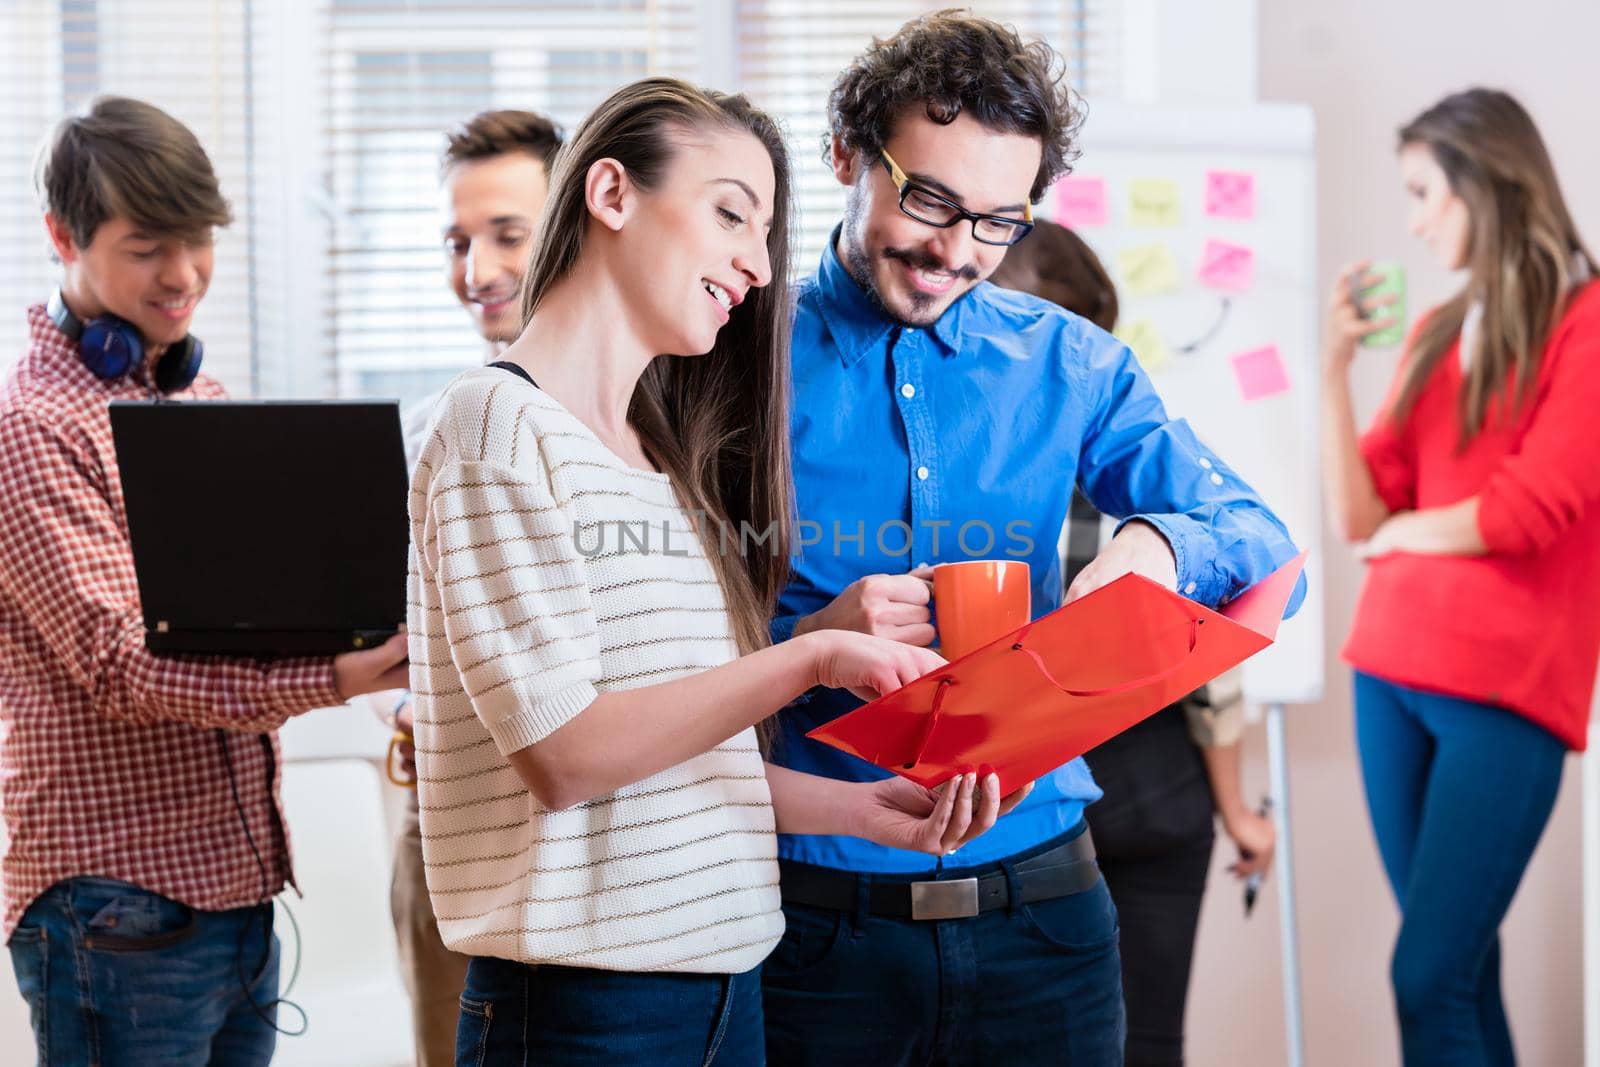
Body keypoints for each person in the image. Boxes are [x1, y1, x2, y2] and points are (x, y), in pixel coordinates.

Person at [407, 76, 1027, 1066]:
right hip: (586, 1012)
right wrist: (814, 653)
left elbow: (663, 755)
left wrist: (859, 809)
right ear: (610, 194)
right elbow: (567, 753)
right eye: (730, 212)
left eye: (766, 230)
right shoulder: (495, 424)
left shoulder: (659, 461)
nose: (753, 261)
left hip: (724, 986)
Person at [761, 13, 1305, 1065]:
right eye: (928, 200)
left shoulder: (1075, 364)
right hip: (811, 926)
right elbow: (653, 652)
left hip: (1046, 917)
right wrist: (813, 635)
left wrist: (1154, 546)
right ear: (844, 157)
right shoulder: (734, 363)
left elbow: (1257, 537)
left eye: (998, 221)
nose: (955, 253)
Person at [0, 96, 410, 1066]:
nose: (183, 275)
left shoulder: (197, 400)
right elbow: (122, 666)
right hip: (115, 906)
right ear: (64, 236)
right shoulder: (32, 428)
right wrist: (343, 679)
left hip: (235, 889)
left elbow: (250, 617)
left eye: (196, 241)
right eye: (147, 246)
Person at [1322, 87, 1600, 1066]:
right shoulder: (1440, 326)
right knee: (1458, 972)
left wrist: (1402, 539)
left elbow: (1529, 509)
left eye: (1424, 191)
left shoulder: (1587, 319)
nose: (1413, 218)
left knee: (1424, 976)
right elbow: (1360, 512)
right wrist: (1331, 367)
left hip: (1503, 689)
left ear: (1487, 183)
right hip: (1388, 671)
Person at [990, 219, 1277, 1067]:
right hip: (1153, 780)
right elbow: (1212, 667)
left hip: (1024, 787)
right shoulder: (1140, 464)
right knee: (1149, 1042)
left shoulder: (980, 469)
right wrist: (1235, 807)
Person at [379, 107, 563, 1067]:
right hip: (448, 814)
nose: (476, 271)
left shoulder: (648, 432)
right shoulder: (426, 431)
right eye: (458, 241)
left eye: (506, 234)